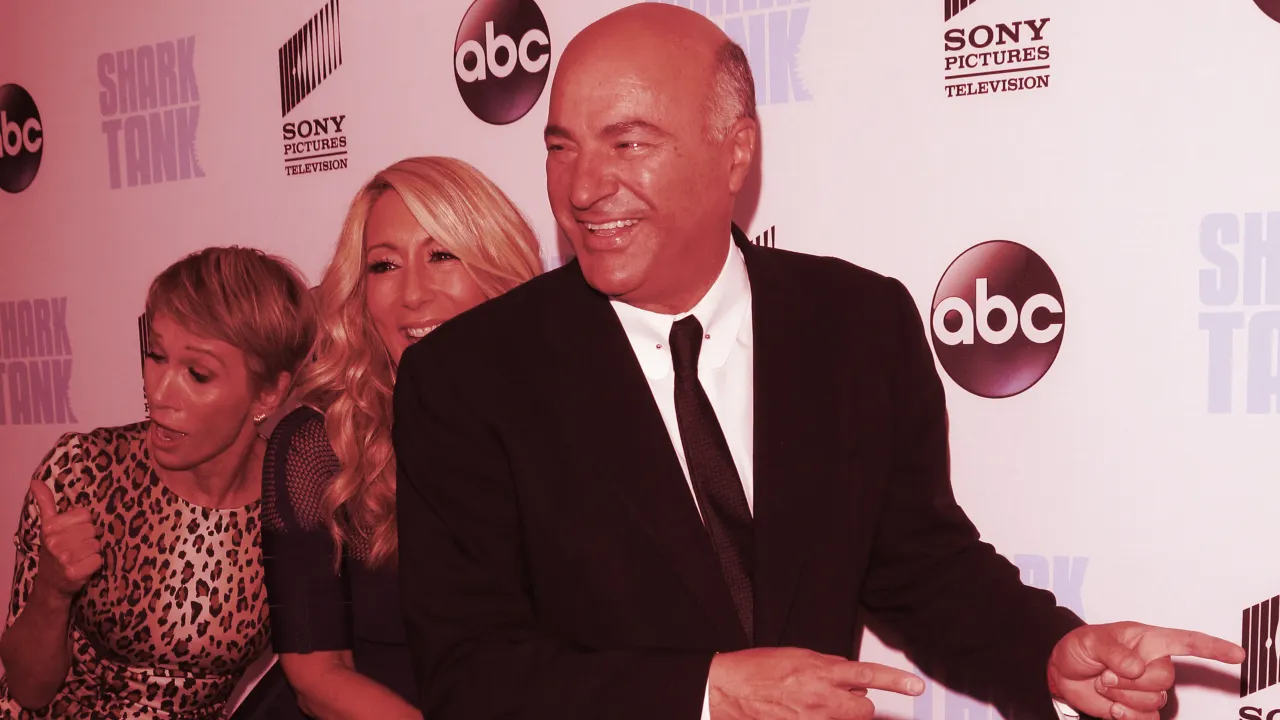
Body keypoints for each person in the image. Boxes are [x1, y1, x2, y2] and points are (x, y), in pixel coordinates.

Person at [392, 6, 1245, 720]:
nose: (582, 188)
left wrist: (1048, 652)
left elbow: (917, 562)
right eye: (561, 147)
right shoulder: (467, 379)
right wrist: (708, 692)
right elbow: (469, 674)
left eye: (628, 143)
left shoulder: (857, 324)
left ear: (735, 151)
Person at [259, 156, 543, 720]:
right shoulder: (320, 443)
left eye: (442, 255)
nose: (412, 294)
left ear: (498, 270)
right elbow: (316, 677)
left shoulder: (564, 421)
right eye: (384, 266)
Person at [0, 247, 317, 720]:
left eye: (197, 374)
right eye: (156, 355)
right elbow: (28, 689)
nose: (159, 392)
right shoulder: (83, 470)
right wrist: (52, 590)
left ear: (269, 392)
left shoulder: (292, 500)